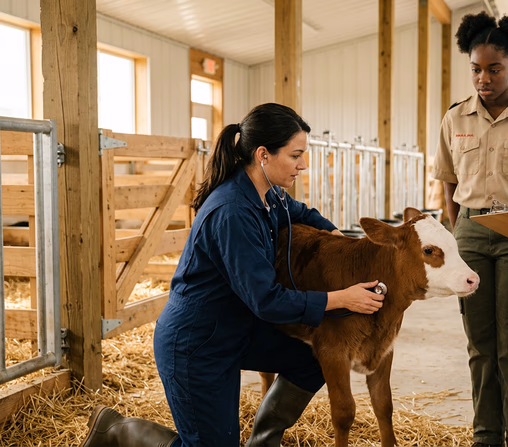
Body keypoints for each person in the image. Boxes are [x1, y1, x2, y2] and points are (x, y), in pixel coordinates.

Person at [80, 103, 386, 447]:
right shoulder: (232, 212)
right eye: (296, 154)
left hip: (236, 328)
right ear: (263, 155)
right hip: (197, 343)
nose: (304, 164)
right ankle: (118, 429)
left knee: (311, 359)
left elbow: (305, 213)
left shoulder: (270, 195)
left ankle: (262, 442)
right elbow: (267, 301)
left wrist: (340, 241)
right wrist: (340, 299)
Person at [431, 11, 508, 447]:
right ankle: (486, 436)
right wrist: (455, 233)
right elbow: (447, 179)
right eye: (476, 69)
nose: (484, 78)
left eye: (494, 69)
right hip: (471, 230)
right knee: (480, 343)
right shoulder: (454, 118)